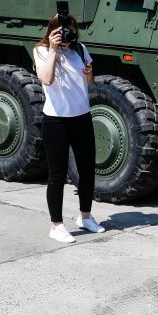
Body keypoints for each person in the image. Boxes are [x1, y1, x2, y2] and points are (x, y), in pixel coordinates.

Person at [33, 13, 105, 243]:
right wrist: (54, 49)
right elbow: (46, 79)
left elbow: (88, 81)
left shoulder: (80, 49)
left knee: (87, 171)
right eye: (61, 29)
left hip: (81, 117)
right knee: (57, 175)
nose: (67, 33)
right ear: (51, 30)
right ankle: (56, 226)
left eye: (70, 29)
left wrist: (89, 74)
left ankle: (85, 216)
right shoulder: (42, 50)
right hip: (56, 121)